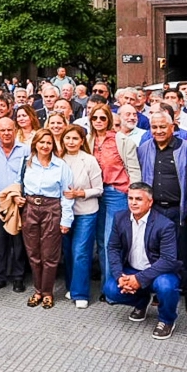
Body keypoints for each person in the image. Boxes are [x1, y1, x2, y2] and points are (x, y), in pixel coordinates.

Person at [137, 108, 187, 314]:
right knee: (156, 253)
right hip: (155, 209)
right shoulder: (144, 148)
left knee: (185, 254)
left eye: (162, 127)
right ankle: (159, 291)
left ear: (173, 127)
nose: (158, 131)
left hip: (179, 210)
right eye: (154, 127)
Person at [103, 182, 182, 340]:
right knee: (110, 289)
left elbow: (168, 259)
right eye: (130, 198)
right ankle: (142, 301)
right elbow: (113, 248)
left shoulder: (165, 225)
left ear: (150, 202)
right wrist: (119, 276)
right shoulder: (120, 218)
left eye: (138, 199)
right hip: (132, 269)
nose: (133, 203)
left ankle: (166, 320)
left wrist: (139, 279)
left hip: (158, 273)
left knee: (166, 286)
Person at [88, 102, 142, 296]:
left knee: (111, 241)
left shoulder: (122, 140)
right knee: (100, 241)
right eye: (95, 117)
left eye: (103, 118)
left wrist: (134, 196)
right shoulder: (87, 140)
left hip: (116, 193)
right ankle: (107, 284)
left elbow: (134, 170)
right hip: (94, 194)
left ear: (109, 120)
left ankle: (112, 288)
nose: (99, 121)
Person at [17, 130, 75, 309]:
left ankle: (48, 292)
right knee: (33, 253)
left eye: (49, 142)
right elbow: (18, 183)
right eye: (41, 142)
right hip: (30, 208)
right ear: (35, 143)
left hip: (52, 209)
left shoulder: (61, 165)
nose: (45, 146)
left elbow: (67, 195)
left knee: (49, 254)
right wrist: (17, 197)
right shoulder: (26, 162)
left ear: (53, 145)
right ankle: (38, 291)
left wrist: (66, 220)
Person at [0, 117, 30, 293]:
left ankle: (18, 277)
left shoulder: (26, 150)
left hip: (19, 201)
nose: (6, 133)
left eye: (10, 129)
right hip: (0, 203)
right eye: (2, 130)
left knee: (18, 243)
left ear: (15, 130)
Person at [58, 125, 102, 308]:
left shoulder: (89, 160)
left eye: (75, 138)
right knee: (68, 252)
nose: (71, 142)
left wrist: (80, 193)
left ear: (82, 141)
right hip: (64, 214)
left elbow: (99, 189)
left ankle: (81, 293)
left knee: (80, 253)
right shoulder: (58, 159)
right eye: (68, 138)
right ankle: (72, 286)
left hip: (85, 212)